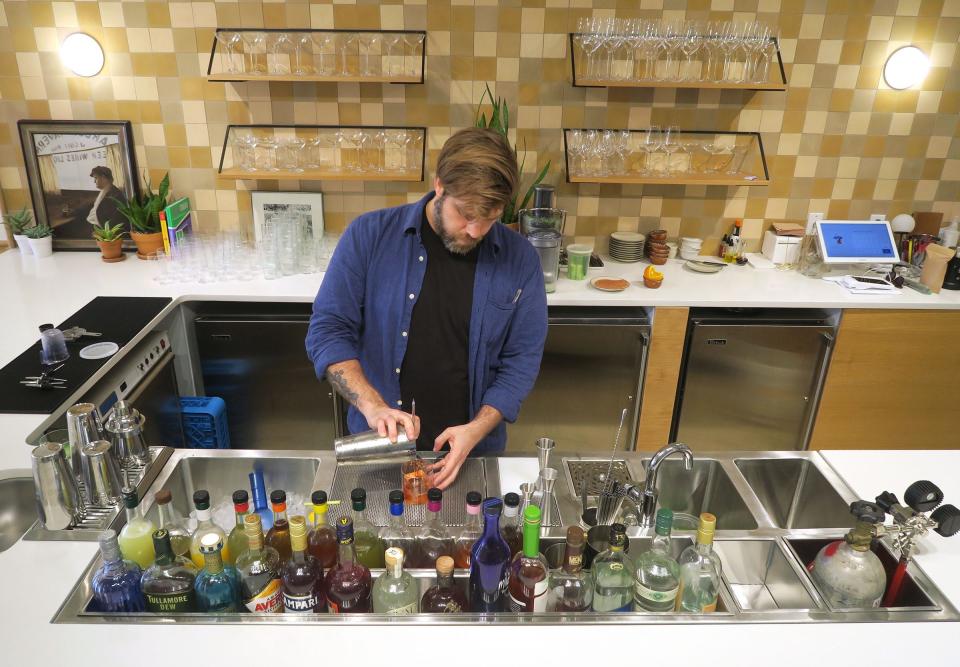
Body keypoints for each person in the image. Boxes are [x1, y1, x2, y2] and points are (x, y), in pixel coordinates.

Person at [306, 127, 548, 489]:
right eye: (465, 214)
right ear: (439, 186)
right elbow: (328, 331)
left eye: (491, 217)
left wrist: (475, 430)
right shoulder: (368, 236)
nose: (477, 230)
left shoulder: (520, 260)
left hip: (472, 458)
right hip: (379, 453)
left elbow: (521, 360)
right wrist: (373, 407)